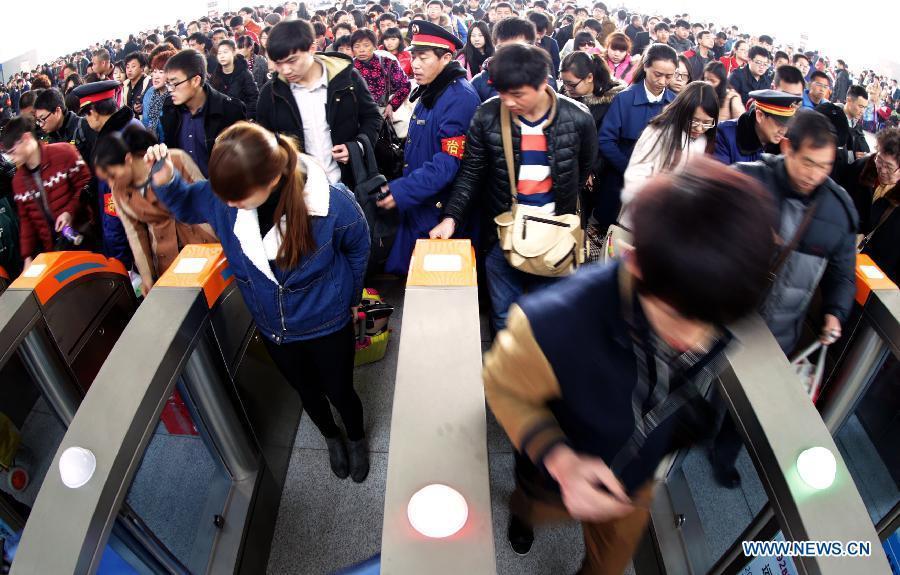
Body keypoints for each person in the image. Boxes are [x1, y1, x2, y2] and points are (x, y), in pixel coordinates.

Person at [484, 157, 776, 570]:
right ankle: (524, 515)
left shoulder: (708, 288)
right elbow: (502, 383)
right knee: (535, 504)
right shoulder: (553, 320)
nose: (694, 338)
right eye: (677, 316)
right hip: (557, 462)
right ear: (635, 263)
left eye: (709, 321)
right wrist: (558, 458)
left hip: (633, 479)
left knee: (608, 565)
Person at [146, 122, 372, 482]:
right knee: (307, 392)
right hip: (275, 328)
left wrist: (350, 296)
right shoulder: (227, 196)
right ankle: (331, 435)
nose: (229, 206)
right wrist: (167, 178)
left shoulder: (328, 201)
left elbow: (359, 244)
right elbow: (190, 204)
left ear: (270, 181)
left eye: (238, 198)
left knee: (340, 390)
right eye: (225, 197)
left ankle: (356, 437)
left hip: (328, 321)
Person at [711, 110, 858, 487]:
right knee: (706, 377)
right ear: (787, 146)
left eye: (824, 166)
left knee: (751, 402)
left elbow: (842, 272)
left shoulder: (838, 211)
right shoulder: (748, 180)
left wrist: (835, 313)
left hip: (780, 330)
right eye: (808, 162)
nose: (814, 174)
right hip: (727, 313)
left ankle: (724, 455)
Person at [430, 43, 597, 331]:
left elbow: (581, 170)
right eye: (502, 93)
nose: (508, 102)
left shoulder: (578, 117)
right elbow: (471, 171)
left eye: (517, 94)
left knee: (550, 321)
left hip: (555, 234)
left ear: (543, 84)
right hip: (504, 231)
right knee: (504, 318)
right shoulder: (487, 116)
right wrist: (451, 217)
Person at [374, 21, 479, 275]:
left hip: (439, 210)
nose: (415, 64)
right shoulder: (433, 89)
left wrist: (402, 190)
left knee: (437, 284)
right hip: (421, 202)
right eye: (413, 56)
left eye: (423, 57)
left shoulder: (458, 97)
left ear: (446, 57)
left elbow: (449, 160)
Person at [257, 19, 382, 189]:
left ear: (312, 48)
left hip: (349, 184)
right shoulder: (270, 95)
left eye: (292, 61)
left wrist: (356, 147)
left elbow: (372, 117)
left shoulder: (347, 79)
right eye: (279, 63)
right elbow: (266, 145)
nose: (285, 70)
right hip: (301, 192)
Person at [93, 124, 217, 293]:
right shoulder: (120, 192)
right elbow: (135, 234)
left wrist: (225, 245)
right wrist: (148, 277)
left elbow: (209, 203)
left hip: (205, 245)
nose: (111, 184)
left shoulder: (174, 160)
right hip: (167, 261)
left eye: (112, 175)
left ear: (128, 159)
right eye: (106, 179)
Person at [595, 43, 677, 230]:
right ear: (645, 66)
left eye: (669, 76)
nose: (663, 81)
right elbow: (606, 140)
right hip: (619, 178)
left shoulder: (674, 103)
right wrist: (630, 168)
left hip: (656, 184)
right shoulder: (624, 98)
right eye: (658, 74)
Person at [620, 81, 719, 226]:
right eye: (695, 120)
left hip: (674, 226)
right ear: (682, 111)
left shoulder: (704, 140)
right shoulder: (658, 133)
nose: (699, 128)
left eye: (707, 122)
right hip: (644, 221)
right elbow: (634, 179)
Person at [1, 116, 93, 268]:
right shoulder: (18, 181)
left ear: (26, 138)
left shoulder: (64, 153)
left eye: (13, 151)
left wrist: (69, 211)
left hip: (84, 237)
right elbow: (26, 220)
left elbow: (86, 184)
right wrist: (28, 256)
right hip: (53, 250)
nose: (12, 158)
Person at [160, 49, 247, 178]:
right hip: (185, 191)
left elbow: (241, 163)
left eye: (175, 83)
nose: (170, 90)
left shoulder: (230, 110)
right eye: (168, 84)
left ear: (195, 80)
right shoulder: (170, 108)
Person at [839, 128, 900, 283]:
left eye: (889, 167)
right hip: (839, 254)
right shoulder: (860, 169)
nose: (882, 170)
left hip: (875, 274)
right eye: (879, 161)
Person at [714, 90, 802, 164]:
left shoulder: (786, 145)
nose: (783, 131)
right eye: (779, 123)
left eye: (787, 125)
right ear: (760, 116)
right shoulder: (725, 134)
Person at [349, 29, 410, 121]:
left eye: (366, 45)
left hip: (382, 113)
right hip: (356, 115)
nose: (361, 50)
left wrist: (392, 105)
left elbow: (405, 85)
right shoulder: (349, 68)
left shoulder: (388, 62)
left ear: (374, 46)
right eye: (357, 46)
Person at [32, 88, 97, 166]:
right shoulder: (47, 137)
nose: (41, 124)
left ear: (57, 111)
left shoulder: (85, 127)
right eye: (38, 120)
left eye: (43, 119)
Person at [210, 40, 260, 120]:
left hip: (241, 121)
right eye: (219, 53)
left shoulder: (244, 74)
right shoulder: (215, 75)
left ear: (234, 52)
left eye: (225, 52)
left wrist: (248, 118)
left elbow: (253, 98)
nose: (222, 56)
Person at [142, 48, 176, 142]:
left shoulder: (175, 95)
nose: (156, 76)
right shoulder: (150, 92)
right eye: (155, 71)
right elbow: (145, 122)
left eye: (161, 72)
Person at [529, 12, 560, 77]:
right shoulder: (522, 42)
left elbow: (555, 66)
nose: (537, 36)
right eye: (536, 32)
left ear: (546, 30)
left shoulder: (551, 43)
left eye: (541, 33)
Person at [123, 52, 150, 120]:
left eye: (133, 66)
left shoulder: (149, 83)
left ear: (142, 68)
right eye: (127, 67)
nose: (129, 70)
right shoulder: (125, 85)